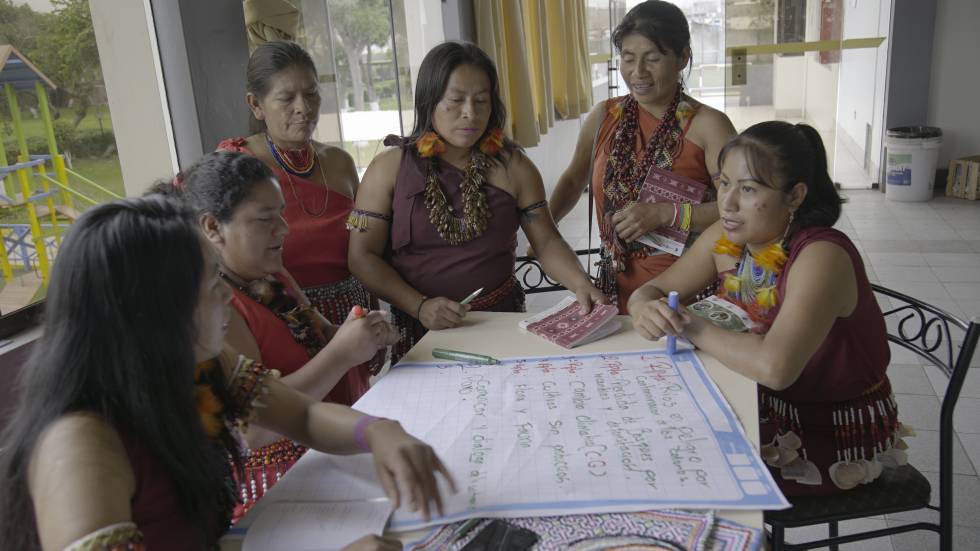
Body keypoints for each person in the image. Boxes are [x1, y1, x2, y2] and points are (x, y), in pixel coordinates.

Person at [0, 196, 453, 550]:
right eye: (211, 285)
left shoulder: (195, 364)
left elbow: (304, 418)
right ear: (153, 312)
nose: (225, 297)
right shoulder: (80, 447)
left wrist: (377, 432)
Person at [629, 121, 905, 495]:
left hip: (826, 436)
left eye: (748, 189)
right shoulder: (733, 238)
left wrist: (685, 324)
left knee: (681, 474)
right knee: (648, 444)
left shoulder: (821, 256)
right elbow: (654, 288)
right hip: (759, 404)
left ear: (795, 196)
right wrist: (644, 305)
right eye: (723, 183)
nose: (726, 202)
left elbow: (774, 368)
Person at [168, 150, 400, 517]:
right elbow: (254, 430)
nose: (284, 228)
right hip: (283, 488)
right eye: (265, 219)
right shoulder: (214, 312)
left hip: (333, 450)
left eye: (282, 213)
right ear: (212, 227)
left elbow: (320, 341)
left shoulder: (270, 275)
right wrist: (342, 354)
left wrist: (362, 338)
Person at [348, 41, 607, 364]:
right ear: (430, 101)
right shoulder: (389, 168)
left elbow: (546, 240)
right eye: (456, 101)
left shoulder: (514, 167)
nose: (470, 113)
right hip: (420, 331)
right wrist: (419, 305)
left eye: (481, 101)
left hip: (498, 320)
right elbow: (362, 256)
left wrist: (582, 285)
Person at [546, 0, 736, 313]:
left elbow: (737, 210)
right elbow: (572, 179)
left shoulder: (708, 126)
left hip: (684, 293)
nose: (638, 72)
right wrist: (546, 231)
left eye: (652, 59)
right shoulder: (604, 117)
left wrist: (667, 214)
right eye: (628, 58)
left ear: (682, 58)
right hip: (611, 290)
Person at [218, 40, 381, 404]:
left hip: (349, 323)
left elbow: (362, 249)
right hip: (286, 326)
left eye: (311, 94)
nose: (303, 109)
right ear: (256, 105)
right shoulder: (238, 165)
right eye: (286, 98)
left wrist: (369, 318)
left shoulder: (338, 162)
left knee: (351, 429)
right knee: (297, 429)